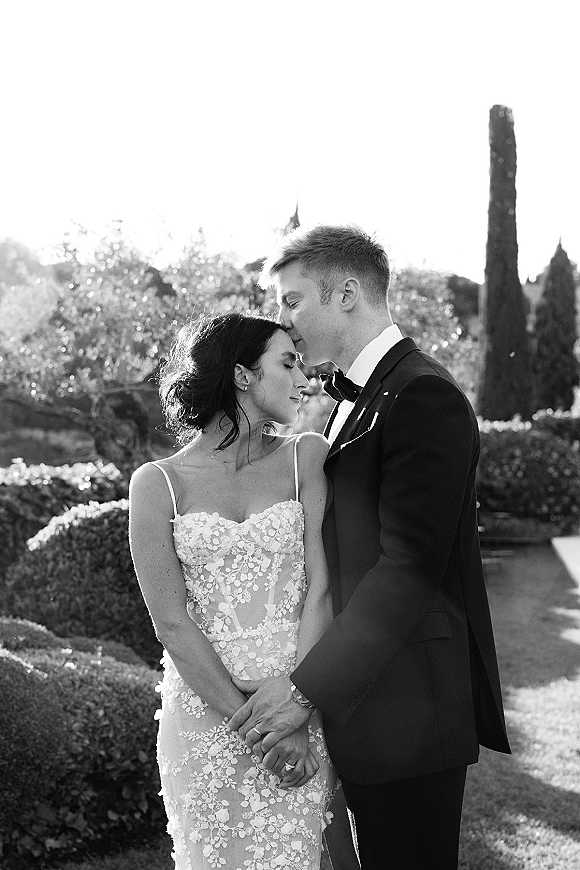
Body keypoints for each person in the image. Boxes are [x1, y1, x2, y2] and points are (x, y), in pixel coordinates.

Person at [228, 225, 511, 870]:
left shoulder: (423, 396)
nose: (284, 322)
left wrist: (303, 690)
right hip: (366, 705)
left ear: (347, 293)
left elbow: (407, 571)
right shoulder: (350, 402)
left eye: (294, 301)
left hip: (410, 709)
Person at [128, 311, 356, 870]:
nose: (305, 378)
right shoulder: (157, 485)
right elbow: (172, 624)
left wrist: (297, 709)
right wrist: (264, 734)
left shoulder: (308, 458)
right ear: (241, 375)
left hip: (298, 697)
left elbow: (322, 589)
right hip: (206, 718)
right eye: (288, 362)